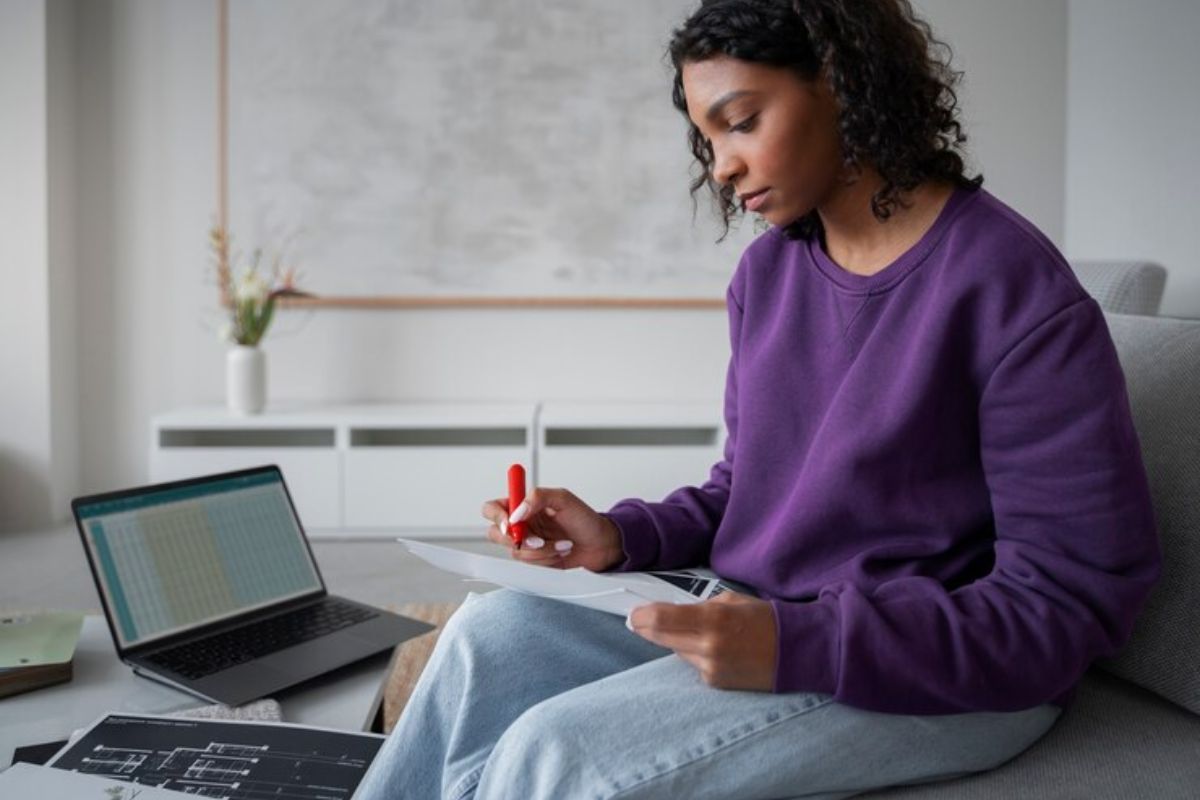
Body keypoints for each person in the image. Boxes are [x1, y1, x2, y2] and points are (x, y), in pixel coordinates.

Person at [357, 1, 1160, 797]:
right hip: (767, 615)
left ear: (843, 83)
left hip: (939, 672)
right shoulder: (769, 276)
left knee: (559, 751)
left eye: (740, 122)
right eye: (707, 140)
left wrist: (794, 644)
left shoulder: (1013, 291)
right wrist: (619, 535)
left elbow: (1066, 603)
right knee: (488, 635)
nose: (721, 166)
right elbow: (747, 491)